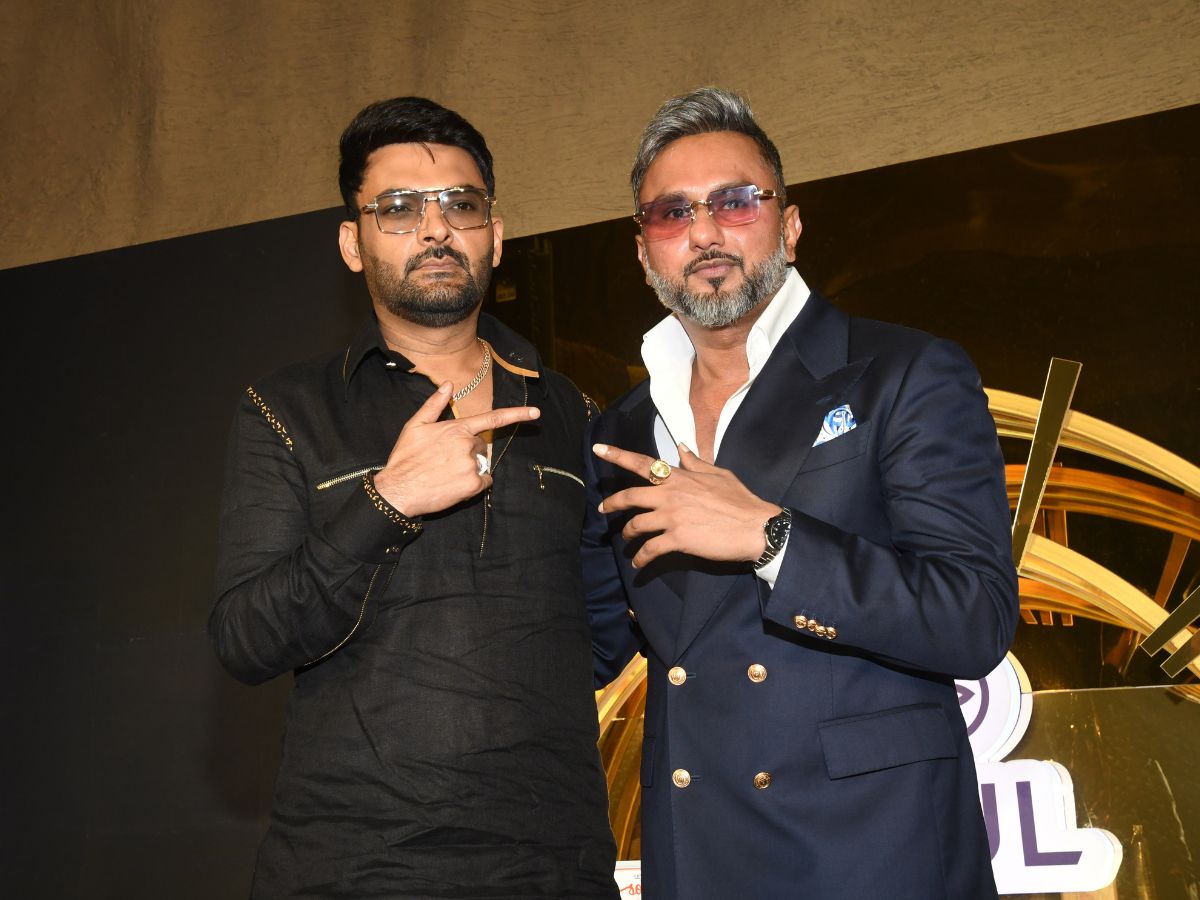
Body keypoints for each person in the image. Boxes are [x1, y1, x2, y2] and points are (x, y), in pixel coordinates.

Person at [584, 88, 1019, 899]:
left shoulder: (904, 372)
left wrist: (772, 538)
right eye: (673, 213)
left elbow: (975, 616)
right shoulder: (622, 428)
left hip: (874, 853)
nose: (705, 232)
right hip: (701, 854)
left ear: (787, 226)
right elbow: (587, 642)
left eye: (735, 201)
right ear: (644, 254)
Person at [210, 96, 617, 899]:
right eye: (397, 208)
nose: (435, 229)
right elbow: (246, 638)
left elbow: (598, 629)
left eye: (460, 205)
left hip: (554, 867)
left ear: (494, 234)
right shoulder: (287, 409)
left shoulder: (572, 410)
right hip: (355, 868)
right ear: (352, 243)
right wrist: (387, 499)